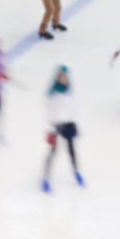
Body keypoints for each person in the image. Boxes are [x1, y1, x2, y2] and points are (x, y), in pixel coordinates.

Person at [42, 65, 84, 193]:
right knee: (53, 152)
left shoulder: (71, 89)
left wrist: (75, 123)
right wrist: (50, 130)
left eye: (66, 76)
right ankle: (45, 178)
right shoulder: (53, 92)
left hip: (68, 123)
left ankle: (76, 172)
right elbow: (49, 113)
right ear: (57, 77)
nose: (64, 79)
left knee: (72, 151)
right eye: (61, 77)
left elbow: (74, 106)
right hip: (55, 125)